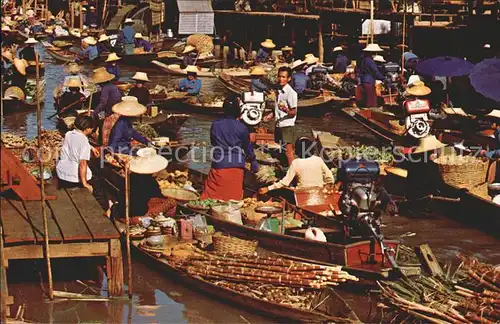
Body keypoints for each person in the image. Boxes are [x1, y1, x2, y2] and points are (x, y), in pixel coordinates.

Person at [200, 95, 258, 201]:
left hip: (219, 164)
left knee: (210, 198)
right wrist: (253, 160)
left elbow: (213, 142)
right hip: (236, 167)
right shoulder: (242, 127)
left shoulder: (215, 125)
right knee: (232, 200)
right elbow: (247, 147)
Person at [56, 115, 111, 212]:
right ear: (87, 129)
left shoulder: (69, 134)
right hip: (72, 177)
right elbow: (83, 164)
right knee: (100, 184)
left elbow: (78, 141)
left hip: (61, 172)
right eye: (91, 129)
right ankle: (105, 210)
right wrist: (85, 183)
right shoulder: (84, 141)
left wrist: (91, 147)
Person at [259, 138, 334, 194]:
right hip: (318, 192)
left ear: (298, 150)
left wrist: (268, 188)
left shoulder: (296, 163)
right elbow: (330, 178)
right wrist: (326, 186)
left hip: (302, 194)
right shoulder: (318, 160)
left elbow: (285, 182)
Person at [263, 66, 298, 166]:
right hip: (279, 124)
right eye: (279, 76)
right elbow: (278, 108)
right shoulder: (279, 91)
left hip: (287, 125)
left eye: (283, 77)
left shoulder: (291, 93)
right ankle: (285, 167)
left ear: (289, 79)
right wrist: (271, 115)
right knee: (282, 149)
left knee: (289, 152)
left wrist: (286, 110)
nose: (281, 79)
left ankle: (292, 173)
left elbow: (293, 112)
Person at [359, 43, 385, 108]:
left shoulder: (364, 59)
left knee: (368, 98)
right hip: (369, 81)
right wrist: (383, 78)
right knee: (371, 100)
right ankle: (370, 112)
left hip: (365, 80)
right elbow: (375, 72)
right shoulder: (370, 61)